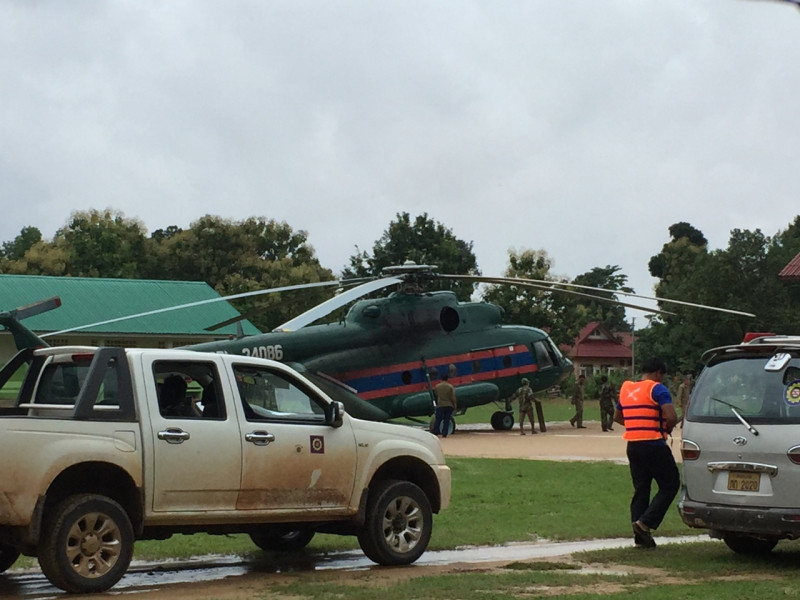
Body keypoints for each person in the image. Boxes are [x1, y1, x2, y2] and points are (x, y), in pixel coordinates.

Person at [614, 358, 680, 549]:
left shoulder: (627, 389)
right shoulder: (658, 389)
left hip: (633, 445)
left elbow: (618, 417)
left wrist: (637, 425)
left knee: (641, 489)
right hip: (654, 444)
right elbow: (671, 416)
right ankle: (645, 523)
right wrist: (665, 428)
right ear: (658, 373)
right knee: (670, 484)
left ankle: (640, 537)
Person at [433, 372, 457, 437]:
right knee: (447, 419)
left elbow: (436, 394)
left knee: (438, 419)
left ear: (441, 378)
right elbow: (453, 397)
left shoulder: (437, 386)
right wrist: (454, 404)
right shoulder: (450, 386)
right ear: (447, 379)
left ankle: (435, 432)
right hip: (449, 405)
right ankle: (444, 433)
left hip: (440, 404)